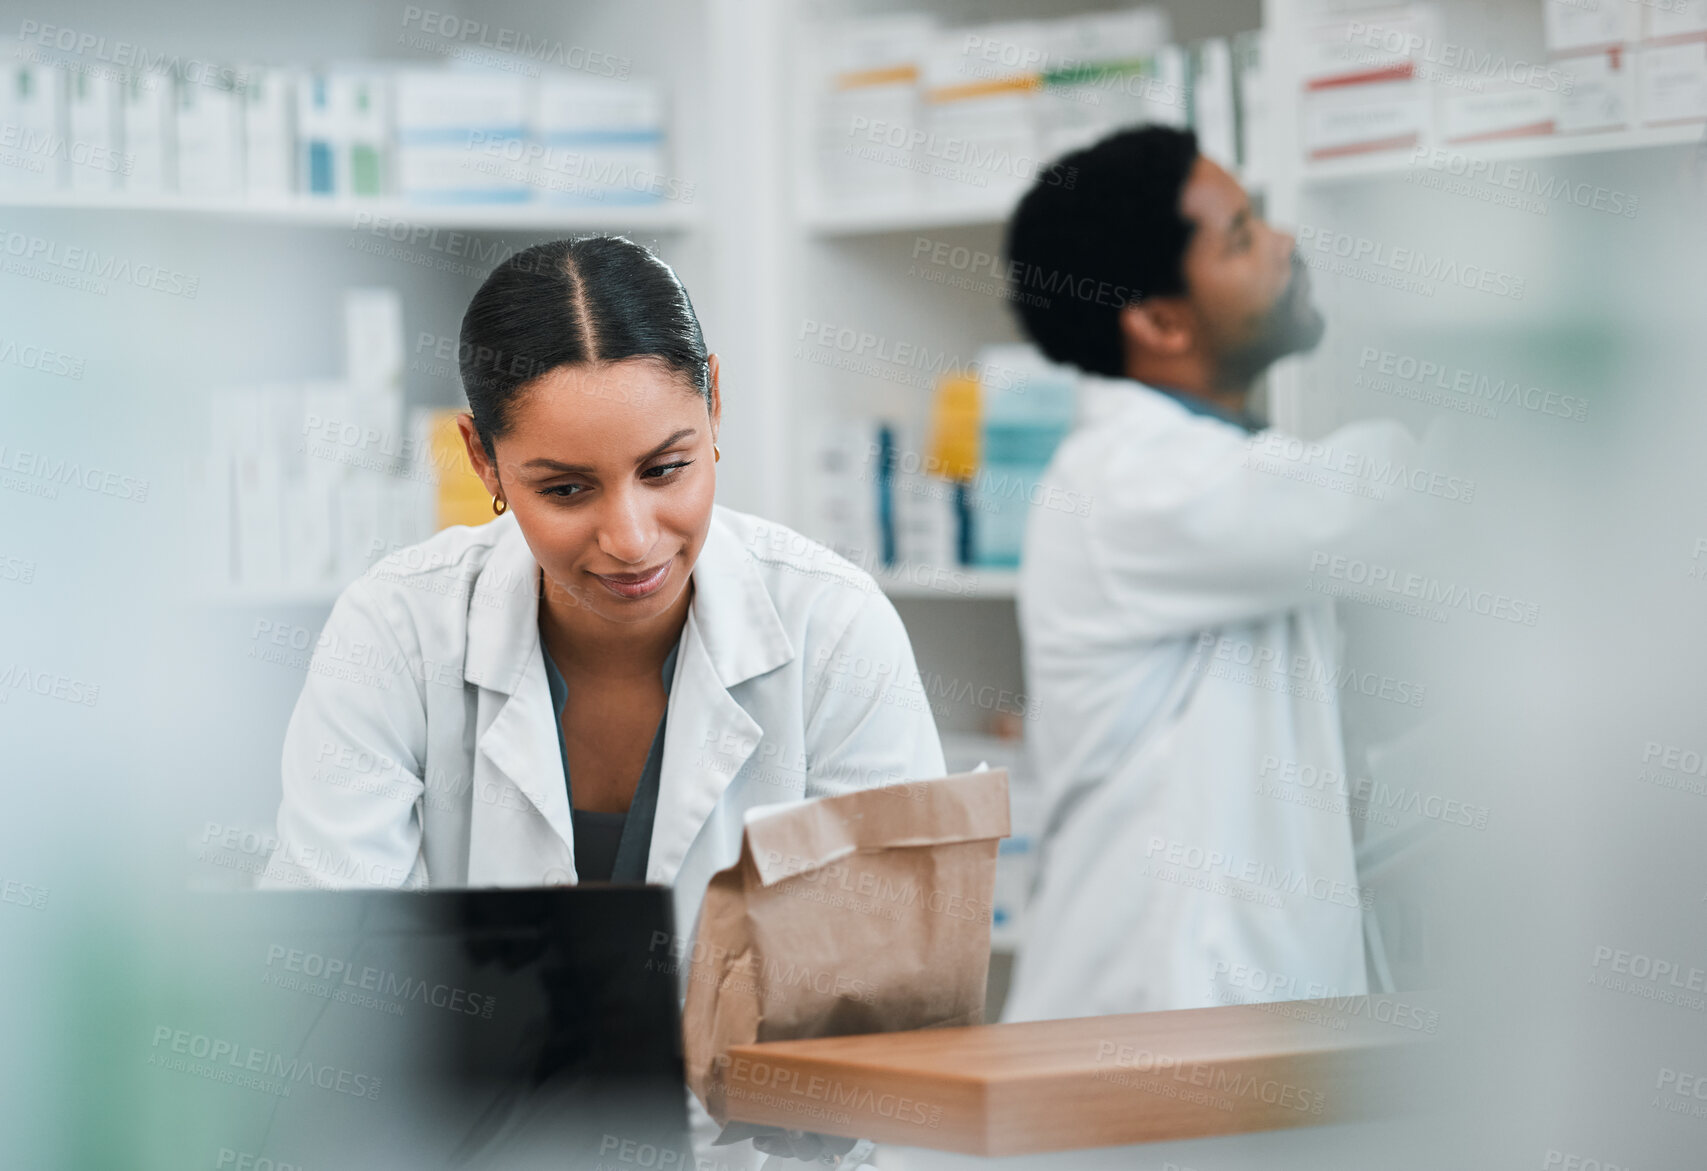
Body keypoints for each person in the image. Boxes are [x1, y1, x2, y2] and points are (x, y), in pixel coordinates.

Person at [260, 232, 943, 960]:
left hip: (754, 1082)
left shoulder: (833, 625)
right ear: (482, 460)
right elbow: (327, 972)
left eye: (664, 469)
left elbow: (894, 975)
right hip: (464, 1080)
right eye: (565, 489)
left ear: (714, 403)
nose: (630, 538)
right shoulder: (394, 630)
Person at [999, 126, 1429, 1022]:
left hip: (1237, 1033)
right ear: (1158, 320)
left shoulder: (1225, 472)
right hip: (1149, 1028)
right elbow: (1387, 498)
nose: (1285, 244)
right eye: (1239, 236)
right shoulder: (1126, 478)